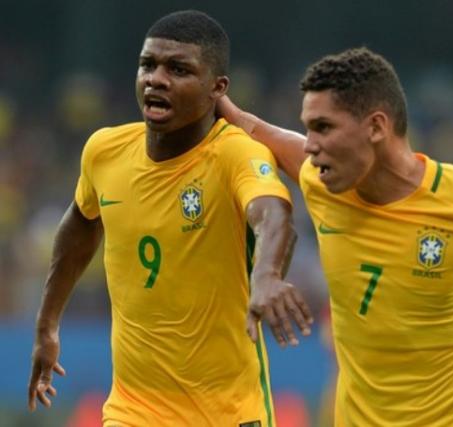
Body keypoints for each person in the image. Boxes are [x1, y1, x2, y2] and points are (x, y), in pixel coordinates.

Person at [217, 47, 453, 427]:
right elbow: (256, 129)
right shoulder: (323, 182)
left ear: (377, 127)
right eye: (308, 127)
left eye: (324, 127)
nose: (310, 144)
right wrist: (212, 92)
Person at [27, 10, 312, 427]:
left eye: (179, 69)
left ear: (218, 88)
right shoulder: (105, 151)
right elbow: (81, 223)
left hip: (228, 413)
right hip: (132, 410)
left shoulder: (235, 152)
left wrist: (266, 274)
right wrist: (47, 324)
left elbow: (273, 212)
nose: (156, 79)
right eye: (148, 65)